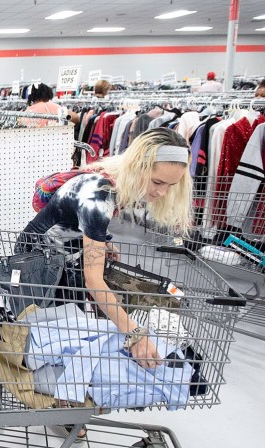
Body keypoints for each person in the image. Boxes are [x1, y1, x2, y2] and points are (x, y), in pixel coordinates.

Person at [17, 128, 193, 374]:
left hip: (62, 255)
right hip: (41, 264)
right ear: (137, 166)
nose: (162, 192)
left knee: (64, 333)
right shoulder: (99, 194)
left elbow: (76, 219)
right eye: (157, 182)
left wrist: (102, 242)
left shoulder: (111, 179)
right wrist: (135, 332)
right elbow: (94, 280)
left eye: (170, 185)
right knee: (46, 338)